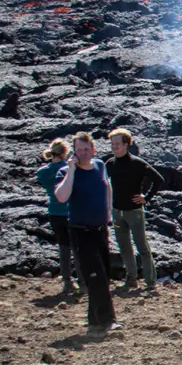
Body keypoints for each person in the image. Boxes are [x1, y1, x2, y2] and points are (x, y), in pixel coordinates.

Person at [52, 132, 119, 332]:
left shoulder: (100, 166)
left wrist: (109, 212)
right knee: (95, 275)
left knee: (103, 275)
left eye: (86, 148)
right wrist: (71, 170)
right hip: (81, 231)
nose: (83, 153)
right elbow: (62, 197)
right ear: (73, 152)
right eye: (79, 149)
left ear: (93, 149)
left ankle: (94, 320)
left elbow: (107, 186)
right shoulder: (64, 172)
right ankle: (107, 320)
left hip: (100, 230)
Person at [105, 128, 165, 292]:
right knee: (124, 247)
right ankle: (131, 280)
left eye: (117, 143)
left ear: (126, 144)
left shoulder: (137, 163)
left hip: (134, 212)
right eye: (113, 144)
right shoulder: (110, 164)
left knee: (142, 247)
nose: (114, 146)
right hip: (117, 212)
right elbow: (100, 182)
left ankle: (150, 282)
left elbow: (159, 179)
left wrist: (146, 197)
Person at [35, 138, 81, 296]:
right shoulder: (66, 168)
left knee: (63, 247)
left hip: (53, 212)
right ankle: (82, 281)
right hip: (69, 211)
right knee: (76, 247)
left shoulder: (42, 172)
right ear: (64, 152)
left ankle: (67, 281)